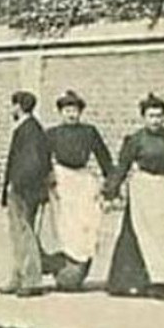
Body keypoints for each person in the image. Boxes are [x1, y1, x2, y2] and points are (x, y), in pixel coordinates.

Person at [105, 94, 164, 299]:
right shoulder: (136, 139)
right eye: (151, 116)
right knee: (144, 236)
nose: (155, 120)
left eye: (159, 116)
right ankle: (151, 282)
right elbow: (122, 166)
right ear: (143, 118)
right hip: (144, 188)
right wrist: (111, 189)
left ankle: (162, 280)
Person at [37, 90, 113, 291]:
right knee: (62, 226)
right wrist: (47, 179)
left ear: (80, 112)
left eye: (75, 110)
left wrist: (111, 185)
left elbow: (103, 157)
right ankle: (61, 269)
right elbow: (42, 159)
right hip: (62, 180)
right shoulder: (52, 134)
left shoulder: (89, 132)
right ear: (61, 112)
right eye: (67, 110)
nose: (72, 114)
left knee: (85, 225)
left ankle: (78, 270)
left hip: (83, 181)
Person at [0, 91, 50, 297]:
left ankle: (31, 280)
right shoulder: (30, 128)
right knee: (19, 234)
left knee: (25, 233)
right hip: (23, 189)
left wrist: (16, 185)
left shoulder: (29, 130)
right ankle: (18, 277)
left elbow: (34, 163)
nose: (11, 110)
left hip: (24, 191)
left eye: (12, 106)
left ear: (18, 106)